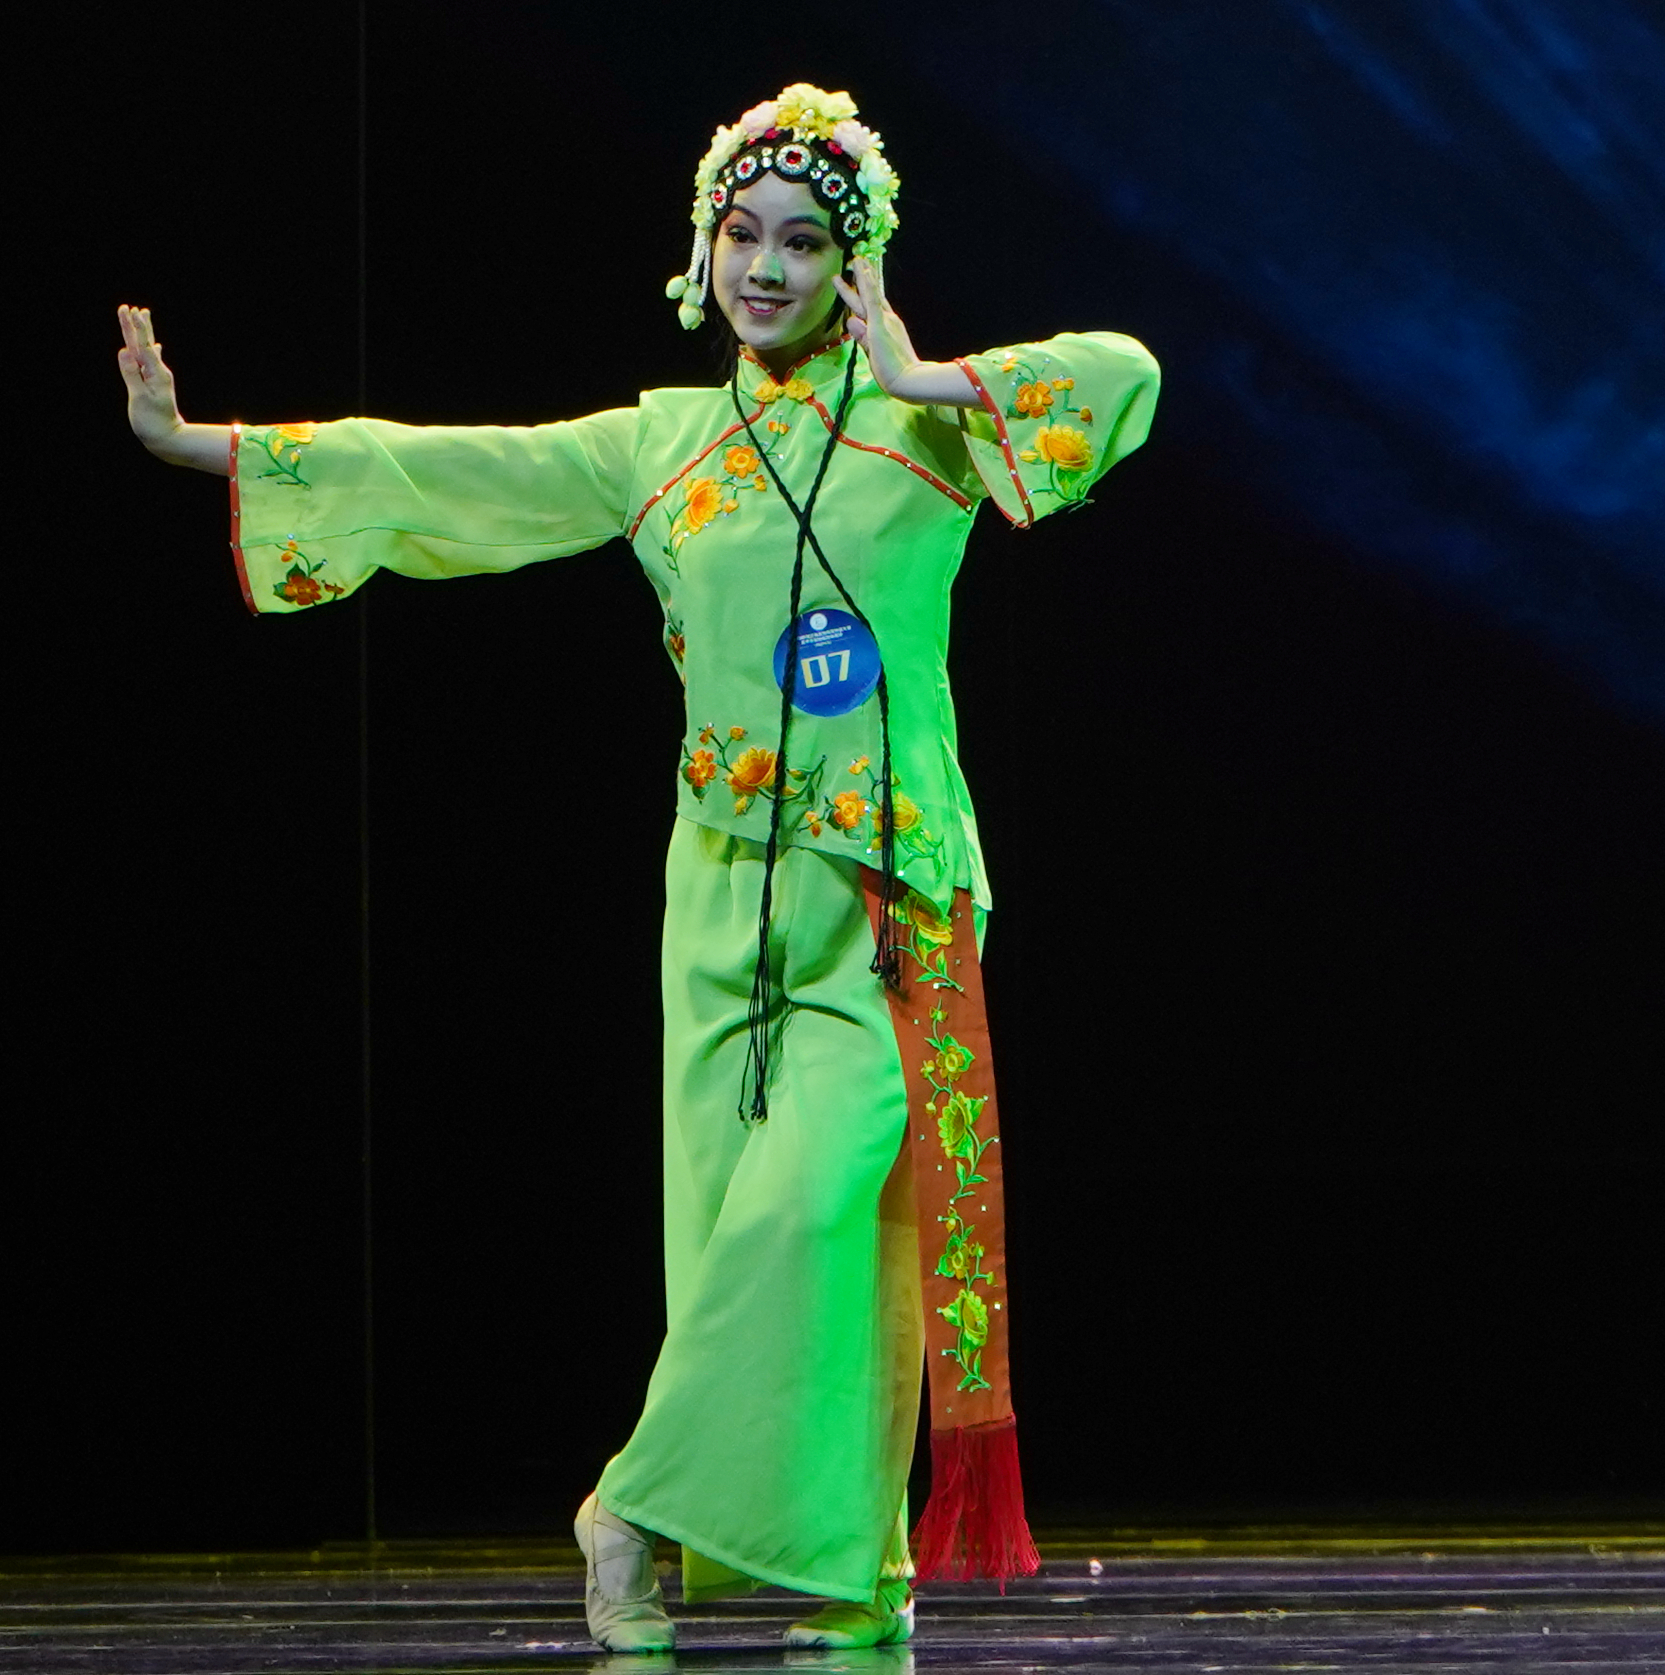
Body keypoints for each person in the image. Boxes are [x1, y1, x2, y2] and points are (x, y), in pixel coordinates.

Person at [115, 81, 1160, 1653]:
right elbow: (450, 471)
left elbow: (1125, 374)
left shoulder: (927, 430)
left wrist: (915, 368)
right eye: (740, 235)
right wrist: (196, 444)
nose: (763, 267)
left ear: (854, 265)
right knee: (760, 1234)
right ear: (699, 250)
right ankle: (846, 1570)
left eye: (801, 241)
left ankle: (629, 1508)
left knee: (824, 1204)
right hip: (722, 892)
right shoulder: (662, 444)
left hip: (887, 892)